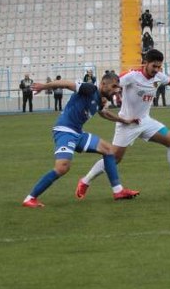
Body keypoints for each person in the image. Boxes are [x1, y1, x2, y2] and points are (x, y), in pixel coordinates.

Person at [77, 49, 170, 197]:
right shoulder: (132, 76)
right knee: (114, 158)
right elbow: (110, 84)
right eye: (154, 66)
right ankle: (85, 181)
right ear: (145, 63)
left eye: (159, 67)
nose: (157, 70)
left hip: (145, 121)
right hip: (127, 124)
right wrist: (105, 98)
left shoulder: (158, 77)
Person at [21, 74, 140, 208]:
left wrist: (125, 121)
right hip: (65, 130)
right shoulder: (89, 89)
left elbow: (104, 113)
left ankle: (118, 191)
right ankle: (30, 198)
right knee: (62, 167)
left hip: (77, 133)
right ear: (103, 84)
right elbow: (66, 84)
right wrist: (44, 86)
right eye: (113, 86)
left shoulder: (99, 100)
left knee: (109, 150)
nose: (115, 90)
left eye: (117, 87)